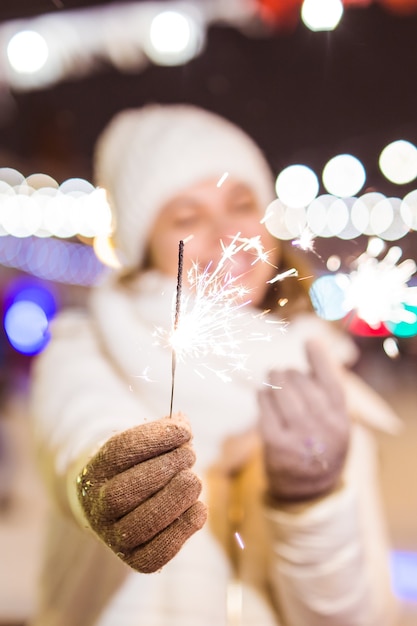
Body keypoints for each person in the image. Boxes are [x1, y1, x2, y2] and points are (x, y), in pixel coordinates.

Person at [29, 103, 401, 626]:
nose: (227, 234)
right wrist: (102, 487)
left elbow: (348, 615)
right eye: (186, 217)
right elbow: (79, 438)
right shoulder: (88, 352)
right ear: (144, 246)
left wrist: (310, 504)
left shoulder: (316, 383)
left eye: (241, 203)